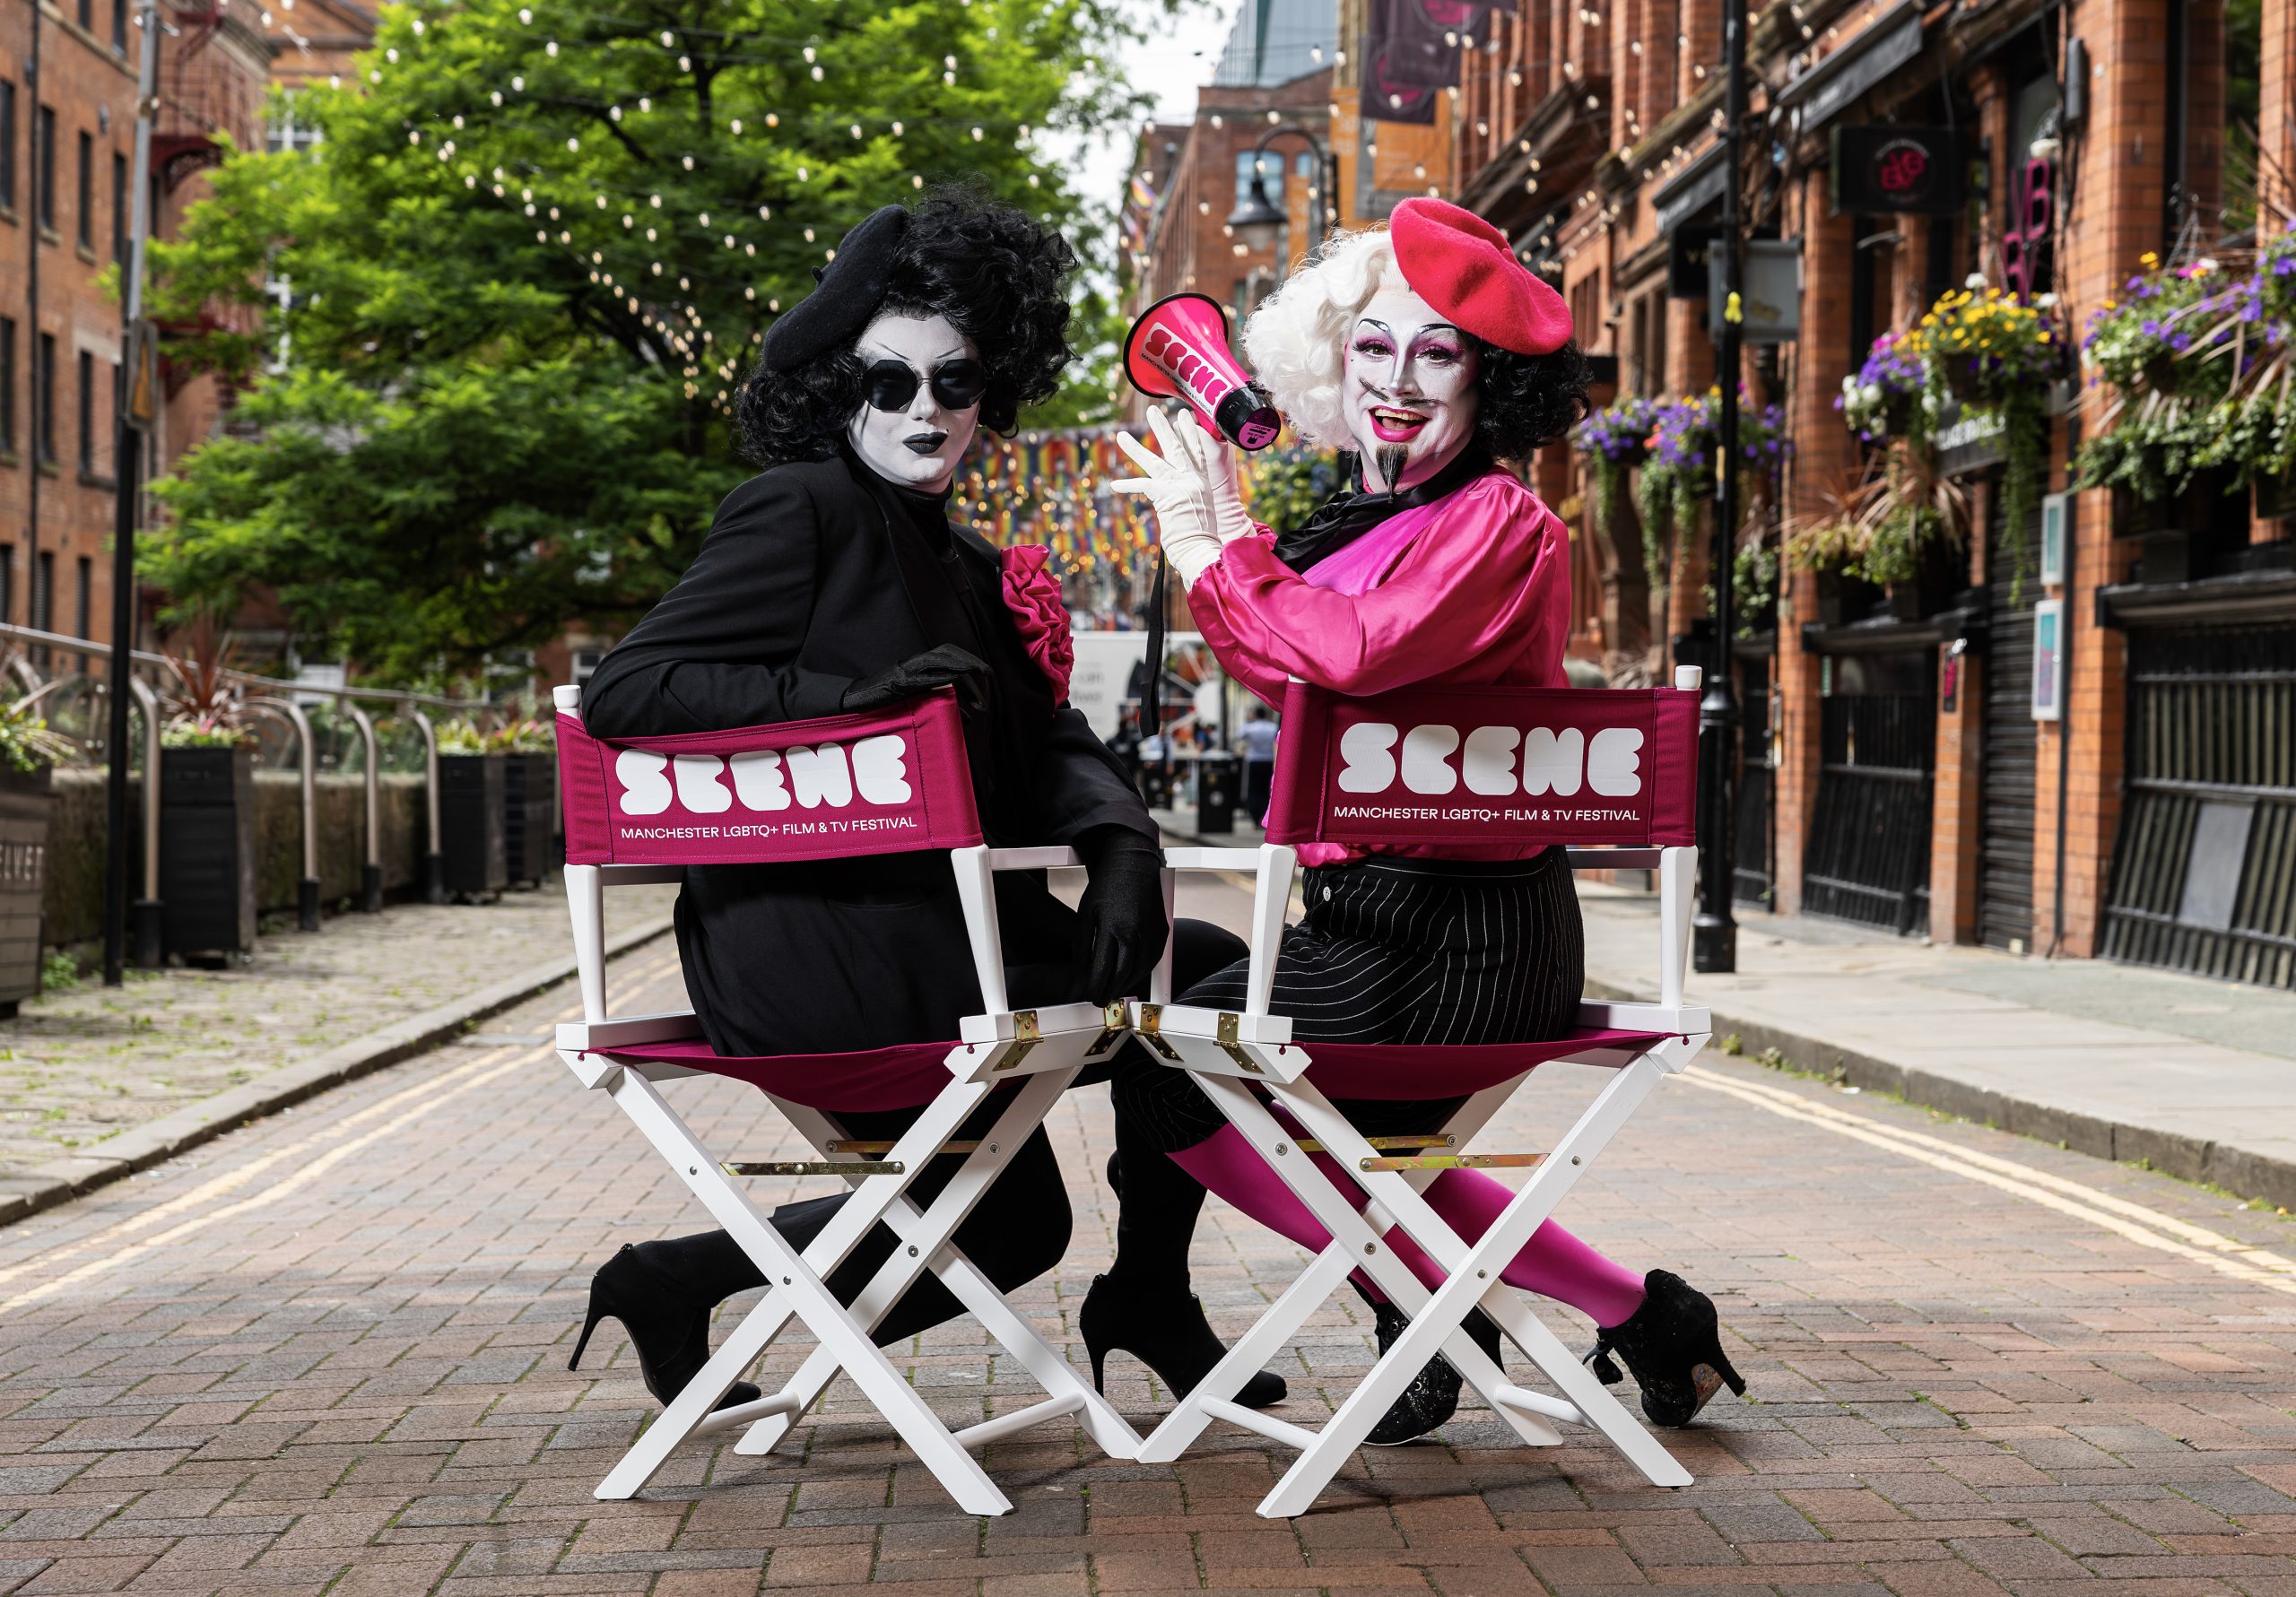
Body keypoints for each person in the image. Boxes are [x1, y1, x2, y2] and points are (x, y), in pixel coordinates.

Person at [570, 189, 1283, 1417]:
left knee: (1195, 982)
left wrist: (1118, 845)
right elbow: (631, 688)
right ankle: (686, 1283)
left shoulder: (960, 561)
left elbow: (1047, 736)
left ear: (989, 391)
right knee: (1021, 1214)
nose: (926, 414)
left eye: (955, 385)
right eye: (890, 383)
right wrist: (849, 697)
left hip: (941, 936)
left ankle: (682, 1279)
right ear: (835, 388)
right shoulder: (800, 509)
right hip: (809, 941)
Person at [1108, 198, 1744, 1444]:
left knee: (1160, 1060)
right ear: (1331, 364)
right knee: (1177, 972)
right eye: (1372, 347)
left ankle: (1433, 1296)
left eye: (1437, 353)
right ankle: (1635, 1313)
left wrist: (1213, 544)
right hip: (1363, 931)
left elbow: (1344, 653)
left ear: (1489, 383)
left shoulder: (1497, 525)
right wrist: (1229, 546)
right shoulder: (1364, 521)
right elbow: (1289, 663)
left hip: (1465, 945)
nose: (1397, 382)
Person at [1237, 703, 1278, 820]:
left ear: (1255, 715)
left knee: (1253, 789)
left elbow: (1238, 735)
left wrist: (1248, 721)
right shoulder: (1272, 727)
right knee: (1266, 789)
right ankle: (1264, 814)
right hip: (1268, 760)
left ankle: (1254, 814)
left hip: (1254, 760)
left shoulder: (1250, 727)